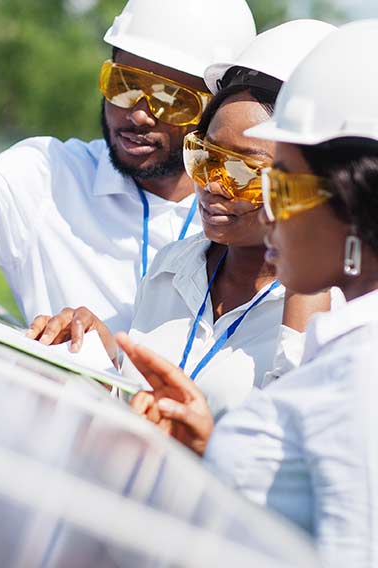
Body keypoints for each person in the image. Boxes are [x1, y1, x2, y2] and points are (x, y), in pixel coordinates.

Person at [121, 21, 378, 566]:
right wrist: (209, 444)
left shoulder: (361, 370)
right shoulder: (351, 345)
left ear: (351, 199)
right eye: (207, 157)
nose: (216, 185)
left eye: (276, 183)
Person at [0, 0, 257, 334]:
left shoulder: (244, 219)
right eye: (124, 85)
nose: (139, 114)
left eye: (172, 99)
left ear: (213, 110)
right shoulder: (49, 177)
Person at [28, 21, 335, 419]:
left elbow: (293, 448)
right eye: (207, 157)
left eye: (243, 172)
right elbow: (139, 413)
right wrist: (103, 366)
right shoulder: (172, 268)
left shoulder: (338, 314)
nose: (213, 184)